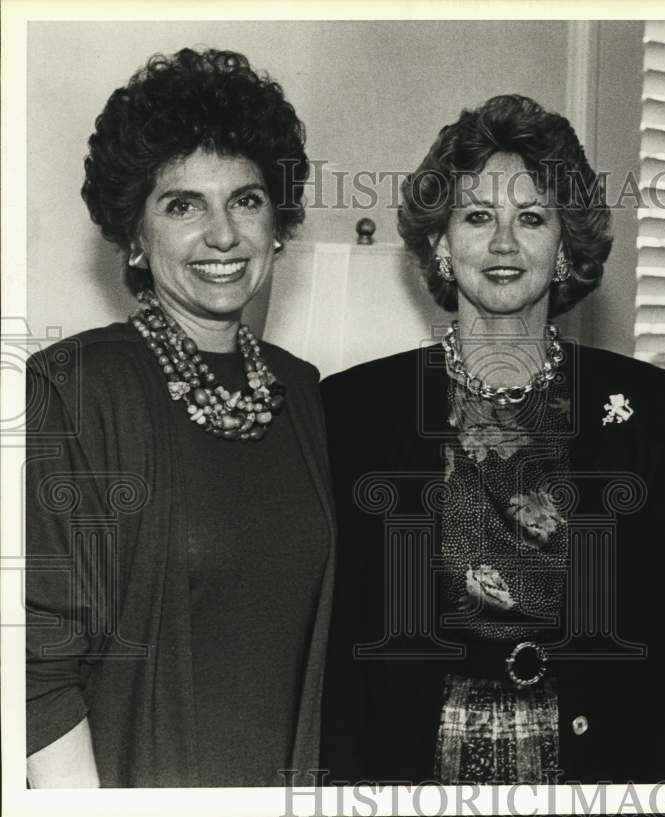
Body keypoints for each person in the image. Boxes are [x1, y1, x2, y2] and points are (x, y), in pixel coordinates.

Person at [319, 94, 665, 784]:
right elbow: (338, 655)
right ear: (439, 242)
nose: (502, 244)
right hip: (411, 767)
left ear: (565, 244)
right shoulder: (357, 409)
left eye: (530, 218)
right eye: (476, 217)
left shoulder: (643, 404)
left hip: (594, 766)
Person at [25, 48, 336, 787]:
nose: (222, 234)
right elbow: (35, 673)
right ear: (134, 235)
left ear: (279, 223)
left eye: (247, 199)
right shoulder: (73, 389)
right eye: (182, 204)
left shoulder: (303, 392)